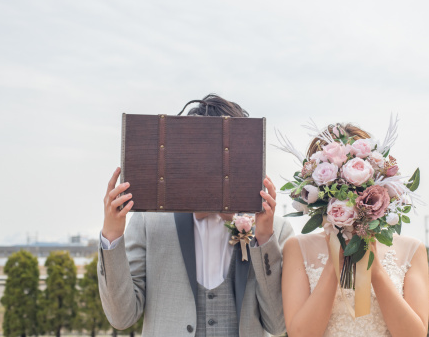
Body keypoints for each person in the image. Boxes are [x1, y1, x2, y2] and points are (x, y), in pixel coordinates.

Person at [97, 94, 294, 337]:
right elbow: (121, 316)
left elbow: (277, 325)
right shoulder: (149, 221)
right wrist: (112, 235)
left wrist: (263, 240)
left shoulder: (277, 231)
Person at [281, 124, 429, 337]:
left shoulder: (411, 250)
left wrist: (375, 269)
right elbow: (301, 334)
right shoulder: (298, 248)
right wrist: (334, 264)